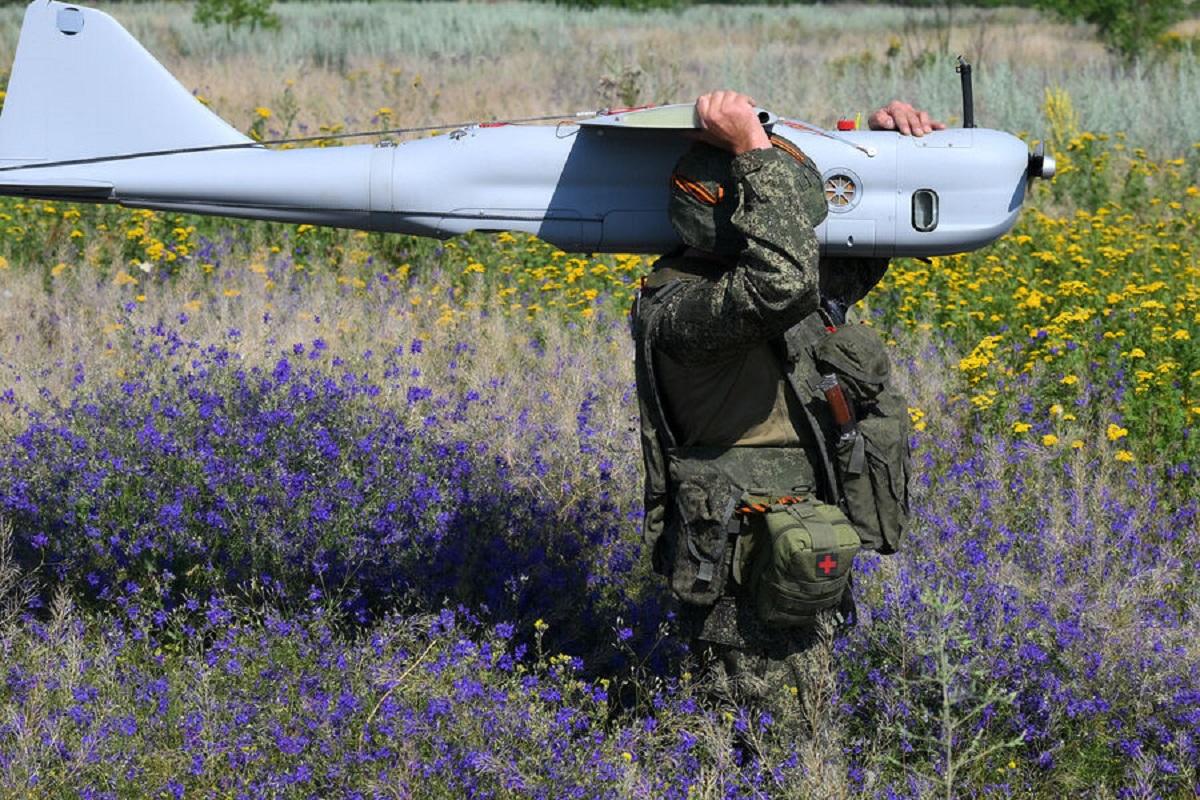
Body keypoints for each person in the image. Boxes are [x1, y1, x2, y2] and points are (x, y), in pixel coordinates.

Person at [631, 91, 942, 707]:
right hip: (743, 576)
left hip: (801, 550)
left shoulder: (749, 292)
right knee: (760, 748)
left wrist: (887, 151)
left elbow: (852, 260)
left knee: (799, 731)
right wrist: (750, 146)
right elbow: (784, 281)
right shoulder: (684, 312)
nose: (807, 234)